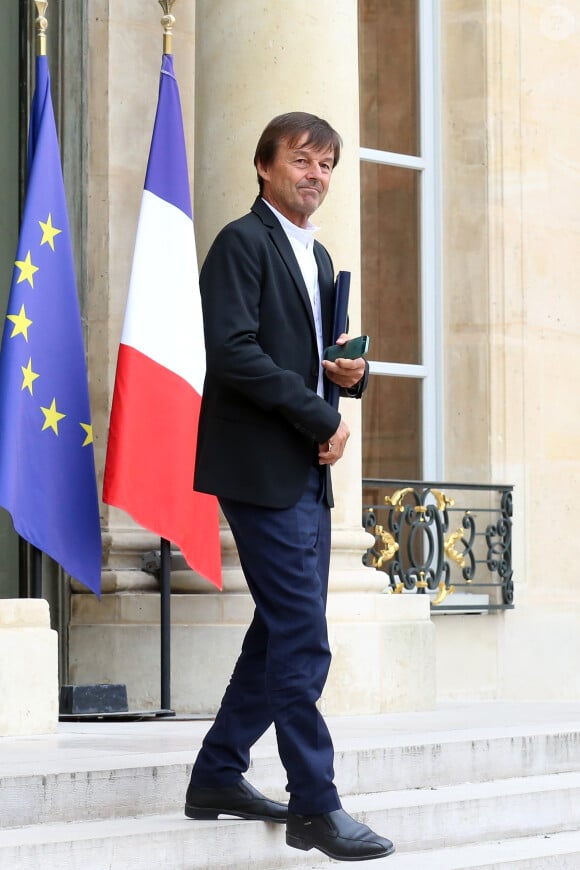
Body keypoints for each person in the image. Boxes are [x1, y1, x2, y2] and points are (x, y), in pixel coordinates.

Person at [185, 112, 395, 862]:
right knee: (303, 635)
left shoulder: (319, 254)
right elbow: (233, 353)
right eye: (303, 160)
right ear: (265, 167)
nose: (317, 174)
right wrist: (317, 412)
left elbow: (319, 361)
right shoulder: (241, 244)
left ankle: (216, 775)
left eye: (328, 164)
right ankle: (315, 804)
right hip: (259, 468)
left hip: (304, 469)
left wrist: (348, 377)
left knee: (278, 629)